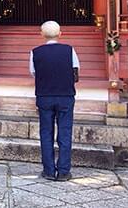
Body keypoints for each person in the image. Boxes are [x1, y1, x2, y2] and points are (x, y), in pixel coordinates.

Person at [29, 20, 79, 181]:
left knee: (46, 132)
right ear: (60, 33)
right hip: (65, 96)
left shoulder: (35, 52)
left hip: (44, 96)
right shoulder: (69, 50)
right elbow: (75, 72)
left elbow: (34, 72)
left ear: (42, 34)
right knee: (65, 132)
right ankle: (64, 171)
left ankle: (49, 170)